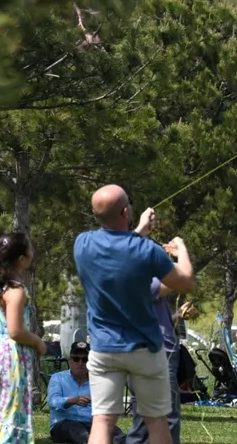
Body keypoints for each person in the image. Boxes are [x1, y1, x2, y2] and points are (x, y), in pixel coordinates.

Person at [74, 185, 194, 444]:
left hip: (104, 349)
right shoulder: (147, 251)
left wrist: (138, 231)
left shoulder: (82, 244)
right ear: (126, 211)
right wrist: (181, 248)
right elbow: (186, 282)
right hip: (145, 349)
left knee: (103, 421)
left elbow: (117, 250)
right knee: (157, 422)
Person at [0, 234, 47, 444]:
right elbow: (15, 331)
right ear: (22, 260)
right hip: (10, 360)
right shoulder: (16, 291)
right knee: (10, 419)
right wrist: (37, 341)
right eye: (30, 248)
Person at [126, 275, 188, 444]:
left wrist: (177, 316)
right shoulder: (145, 280)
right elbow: (180, 278)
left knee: (144, 419)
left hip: (153, 354)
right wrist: (179, 251)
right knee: (168, 418)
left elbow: (157, 322)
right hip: (158, 356)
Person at [49, 342, 124, 444]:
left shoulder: (98, 381)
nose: (80, 363)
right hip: (64, 425)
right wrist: (72, 400)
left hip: (91, 424)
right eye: (76, 359)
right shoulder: (58, 378)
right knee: (74, 429)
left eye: (85, 359)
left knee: (114, 432)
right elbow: (53, 402)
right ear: (70, 361)